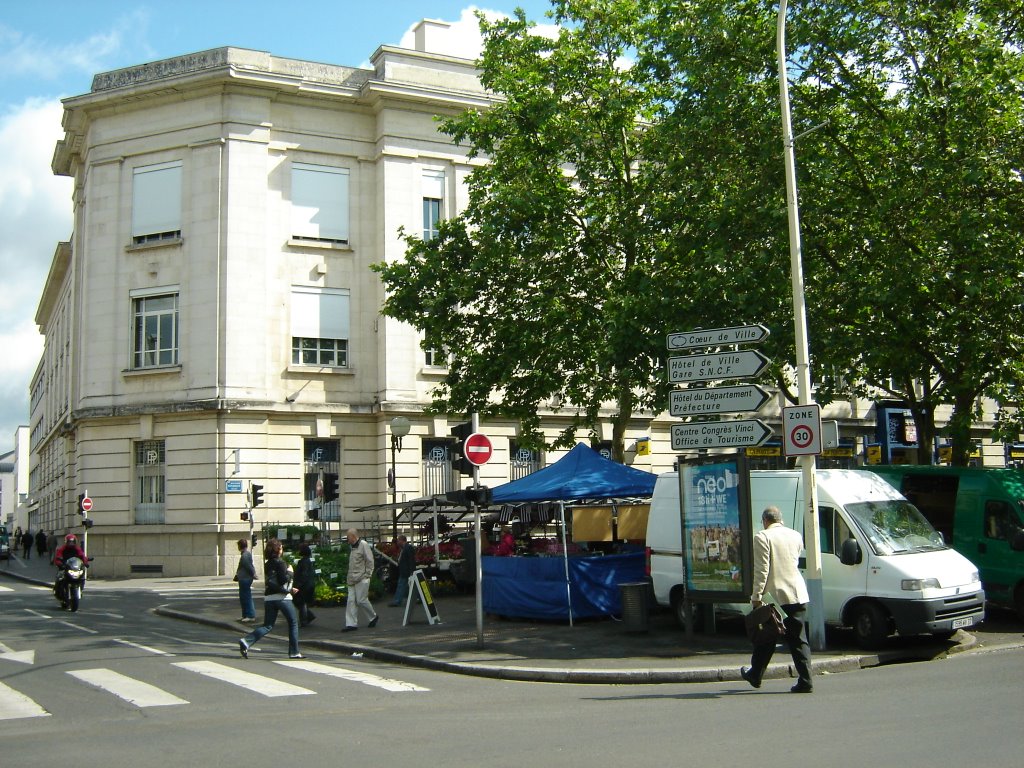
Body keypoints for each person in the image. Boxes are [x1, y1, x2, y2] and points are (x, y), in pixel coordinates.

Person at [741, 506, 814, 693]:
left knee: (766, 636)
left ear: (765, 520)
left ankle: (755, 674)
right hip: (797, 593)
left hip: (775, 597)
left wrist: (756, 596)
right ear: (780, 519)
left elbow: (762, 570)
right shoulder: (796, 535)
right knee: (799, 639)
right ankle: (806, 679)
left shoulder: (762, 537)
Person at [239, 538, 303, 659]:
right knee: (293, 622)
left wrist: (289, 589)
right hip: (282, 598)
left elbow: (274, 582)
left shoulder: (267, 564)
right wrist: (290, 572)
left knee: (267, 625)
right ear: (278, 550)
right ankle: (294, 651)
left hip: (269, 598)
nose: (282, 549)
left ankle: (247, 641)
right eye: (281, 547)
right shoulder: (281, 563)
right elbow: (283, 580)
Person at [342, 528, 378, 632]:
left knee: (361, 600)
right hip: (352, 578)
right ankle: (351, 624)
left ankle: (373, 616)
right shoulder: (352, 546)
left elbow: (370, 561)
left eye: (348, 537)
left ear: (353, 536)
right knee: (351, 601)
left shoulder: (363, 544)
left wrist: (367, 575)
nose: (347, 539)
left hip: (362, 577)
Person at [293, 544, 317, 627]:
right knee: (301, 602)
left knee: (300, 602)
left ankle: (304, 620)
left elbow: (304, 574)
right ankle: (308, 616)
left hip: (304, 586)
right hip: (308, 585)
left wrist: (298, 585)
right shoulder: (307, 561)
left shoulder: (303, 562)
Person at [388, 535, 415, 607]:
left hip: (405, 571)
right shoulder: (404, 548)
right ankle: (418, 598)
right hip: (404, 570)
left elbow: (411, 560)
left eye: (398, 540)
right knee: (407, 586)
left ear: (402, 540)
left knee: (401, 585)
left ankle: (397, 601)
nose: (397, 542)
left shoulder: (408, 548)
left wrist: (411, 571)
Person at [234, 538, 257, 623]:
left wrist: (253, 574)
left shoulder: (245, 555)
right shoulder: (245, 554)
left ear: (240, 546)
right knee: (243, 597)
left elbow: (248, 566)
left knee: (246, 597)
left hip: (245, 578)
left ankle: (250, 615)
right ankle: (245, 614)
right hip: (243, 578)